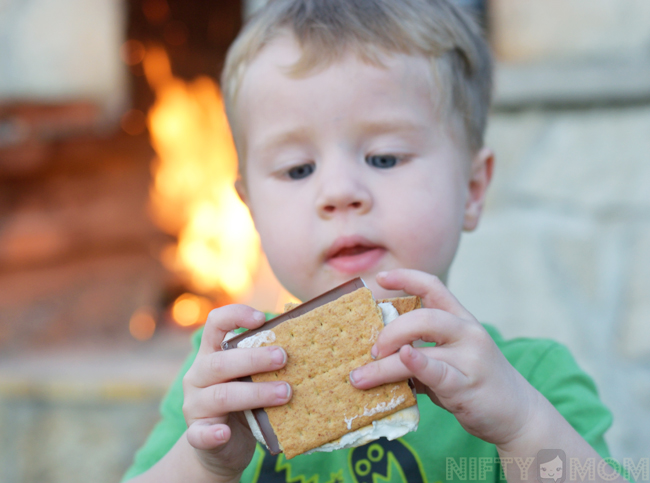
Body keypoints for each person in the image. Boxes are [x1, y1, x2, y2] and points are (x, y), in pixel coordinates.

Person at [122, 0, 625, 481]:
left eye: (384, 158)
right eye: (298, 169)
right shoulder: (228, 382)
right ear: (250, 210)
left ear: (472, 190)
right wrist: (204, 465)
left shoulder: (532, 381)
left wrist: (523, 429)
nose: (340, 192)